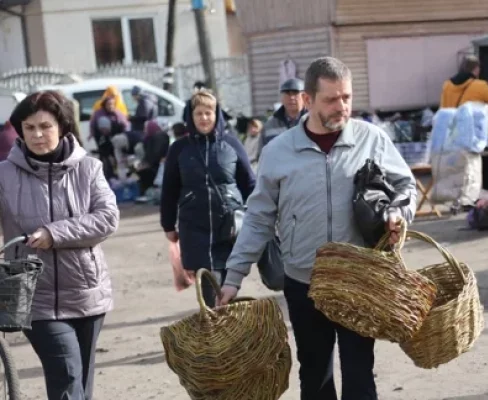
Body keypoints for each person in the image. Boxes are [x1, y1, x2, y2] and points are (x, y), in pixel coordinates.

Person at [219, 56, 417, 400]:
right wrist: (234, 275)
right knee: (314, 374)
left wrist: (400, 213)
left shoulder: (372, 138)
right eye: (331, 99)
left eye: (347, 97)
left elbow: (406, 187)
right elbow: (258, 216)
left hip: (358, 278)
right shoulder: (278, 151)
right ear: (307, 100)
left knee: (359, 373)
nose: (341, 107)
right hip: (303, 280)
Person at [2, 91, 119, 400]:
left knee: (80, 385)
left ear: (63, 126)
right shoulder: (4, 175)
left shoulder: (89, 169)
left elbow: (107, 218)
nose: (37, 135)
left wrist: (54, 233)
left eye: (45, 126)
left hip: (86, 292)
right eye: (29, 128)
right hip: (33, 296)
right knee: (66, 375)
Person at [159, 89, 255, 308]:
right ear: (190, 117)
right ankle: (217, 332)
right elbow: (169, 190)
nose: (204, 118)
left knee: (227, 285)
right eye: (199, 113)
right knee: (209, 286)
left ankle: (223, 330)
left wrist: (260, 214)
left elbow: (250, 183)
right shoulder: (179, 149)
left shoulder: (231, 145)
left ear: (216, 115)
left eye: (208, 113)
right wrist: (167, 224)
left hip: (229, 228)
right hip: (194, 229)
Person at [440, 55, 488, 191]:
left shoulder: (447, 86)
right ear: (476, 69)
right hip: (474, 137)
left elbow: (443, 111)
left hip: (454, 136)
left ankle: (464, 200)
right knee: (484, 166)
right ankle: (485, 198)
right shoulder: (480, 86)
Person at [258, 78, 308, 153]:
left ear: (304, 97)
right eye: (287, 93)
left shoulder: (314, 122)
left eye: (295, 93)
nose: (291, 98)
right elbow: (262, 154)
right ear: (282, 98)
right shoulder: (270, 125)